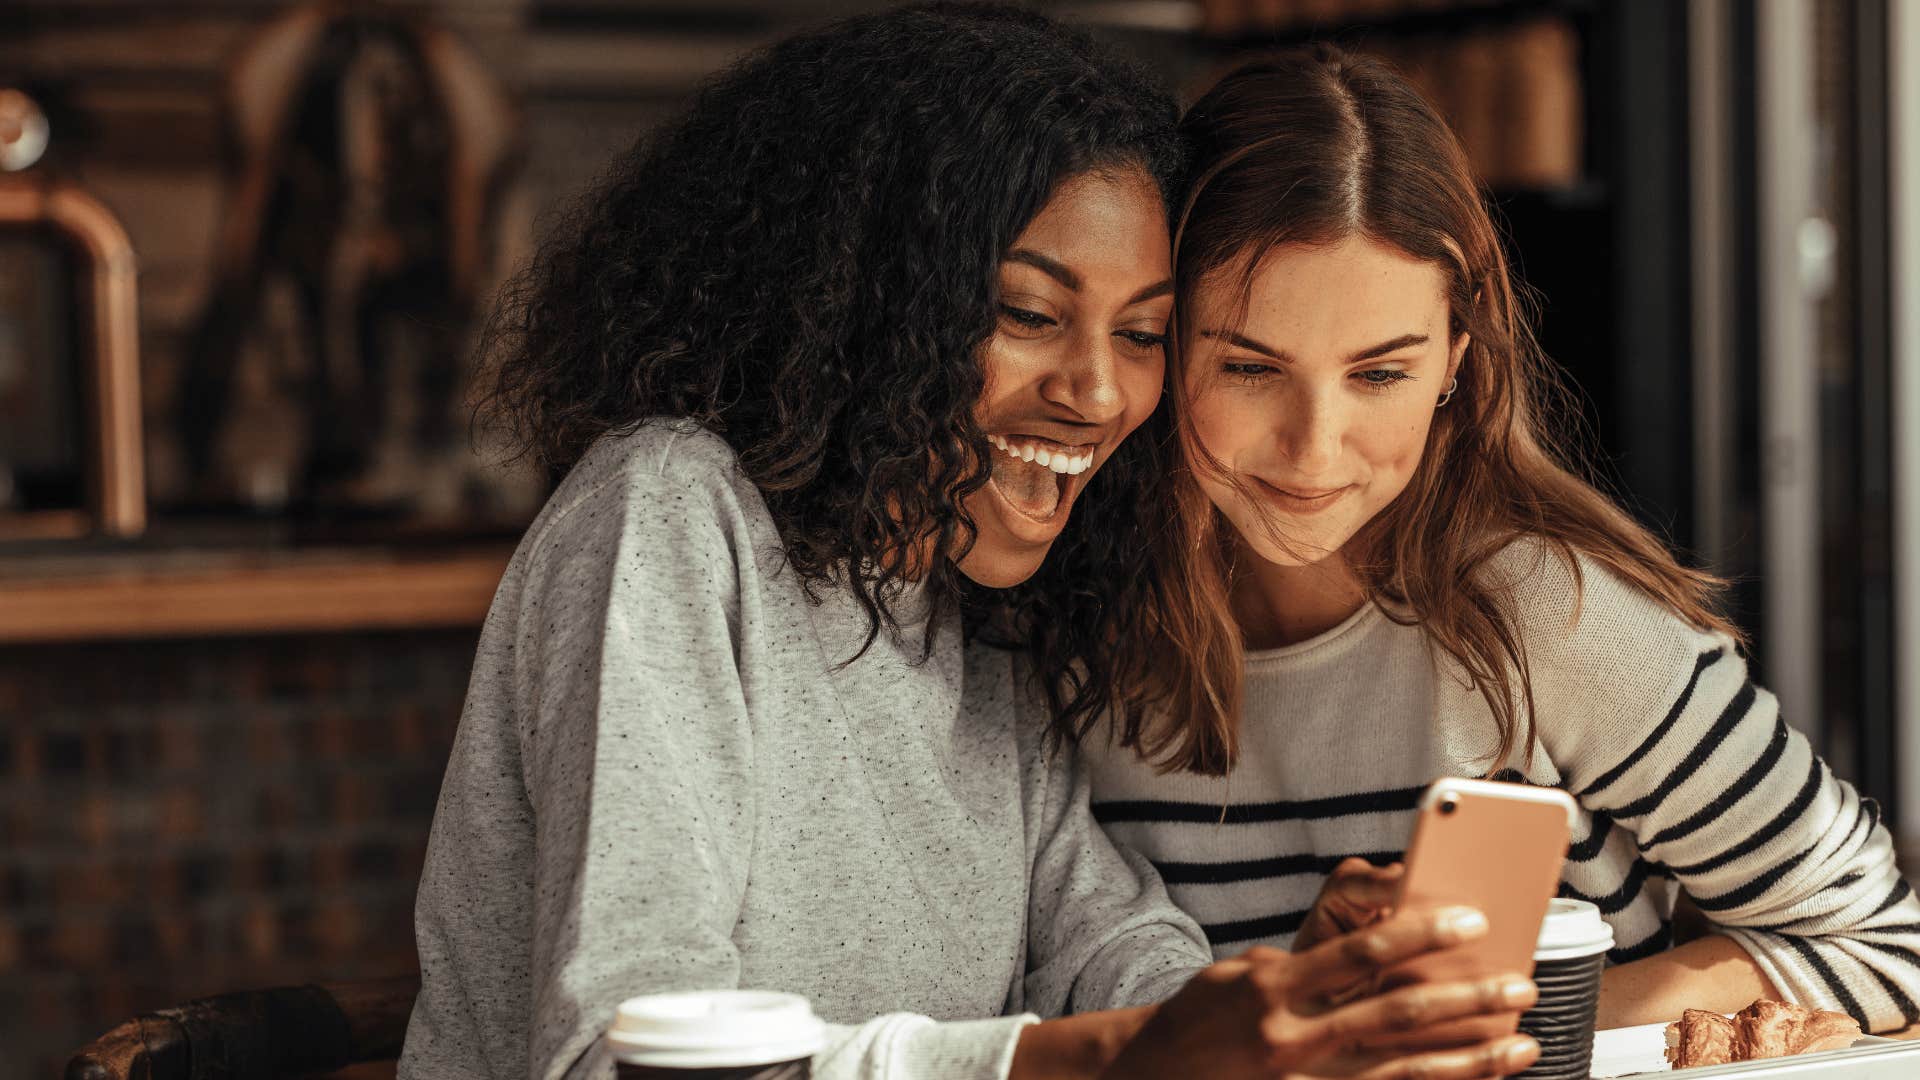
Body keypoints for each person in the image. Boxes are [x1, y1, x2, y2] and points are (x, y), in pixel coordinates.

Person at [399, 9, 1543, 1080]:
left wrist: (1291, 1001)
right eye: (1030, 315)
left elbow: (1111, 948)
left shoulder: (977, 611)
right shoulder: (673, 515)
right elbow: (622, 1051)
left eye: (1143, 334)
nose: (1098, 391)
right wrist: (1114, 1059)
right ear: (862, 304)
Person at [1079, 43, 1920, 1034]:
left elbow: (1887, 946)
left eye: (1380, 373)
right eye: (1252, 368)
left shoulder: (1545, 617)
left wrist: (1537, 1023)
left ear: (1454, 368)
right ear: (1161, 345)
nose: (1315, 448)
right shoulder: (1069, 641)